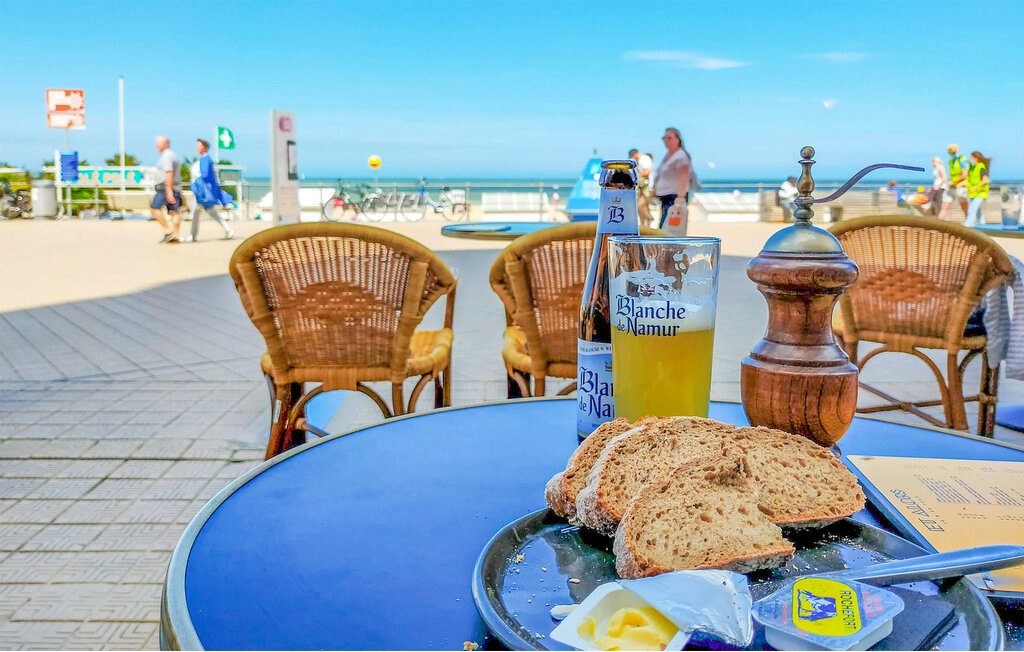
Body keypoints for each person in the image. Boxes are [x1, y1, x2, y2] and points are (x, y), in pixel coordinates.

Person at [184, 139, 234, 242]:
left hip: (200, 192)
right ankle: (227, 230)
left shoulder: (205, 160)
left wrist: (195, 188)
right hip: (201, 191)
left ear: (205, 147)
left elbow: (204, 176)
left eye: (199, 146)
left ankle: (193, 236)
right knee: (208, 212)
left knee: (197, 213)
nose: (197, 148)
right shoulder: (205, 160)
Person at [653, 127, 691, 234]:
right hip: (666, 197)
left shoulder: (680, 155)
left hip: (674, 197)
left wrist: (681, 196)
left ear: (677, 139)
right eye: (664, 138)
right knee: (665, 227)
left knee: (669, 229)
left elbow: (684, 176)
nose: (666, 140)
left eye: (669, 138)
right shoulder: (670, 156)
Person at [151, 136, 183, 243]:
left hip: (166, 187)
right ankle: (176, 235)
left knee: (155, 208)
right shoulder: (172, 155)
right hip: (175, 187)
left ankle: (168, 231)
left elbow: (169, 173)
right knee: (174, 211)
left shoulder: (167, 156)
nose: (157, 145)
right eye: (156, 143)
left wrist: (169, 191)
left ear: (167, 144)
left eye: (159, 143)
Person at [963, 151, 991, 227]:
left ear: (976, 158)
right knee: (978, 212)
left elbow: (985, 180)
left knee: (972, 209)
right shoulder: (972, 168)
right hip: (973, 193)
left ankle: (966, 226)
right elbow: (969, 180)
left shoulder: (981, 166)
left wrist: (976, 187)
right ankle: (983, 226)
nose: (970, 159)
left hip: (981, 192)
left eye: (971, 157)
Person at [629, 148, 654, 227]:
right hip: (644, 187)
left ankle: (650, 219)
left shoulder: (644, 159)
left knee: (641, 205)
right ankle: (645, 224)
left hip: (647, 187)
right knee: (642, 206)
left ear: (634, 154)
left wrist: (637, 175)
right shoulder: (641, 160)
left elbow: (647, 172)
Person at [945, 144, 969, 218]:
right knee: (945, 205)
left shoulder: (962, 160)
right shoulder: (951, 161)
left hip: (961, 186)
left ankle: (968, 221)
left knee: (963, 205)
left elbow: (965, 174)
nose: (951, 153)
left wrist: (954, 182)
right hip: (952, 186)